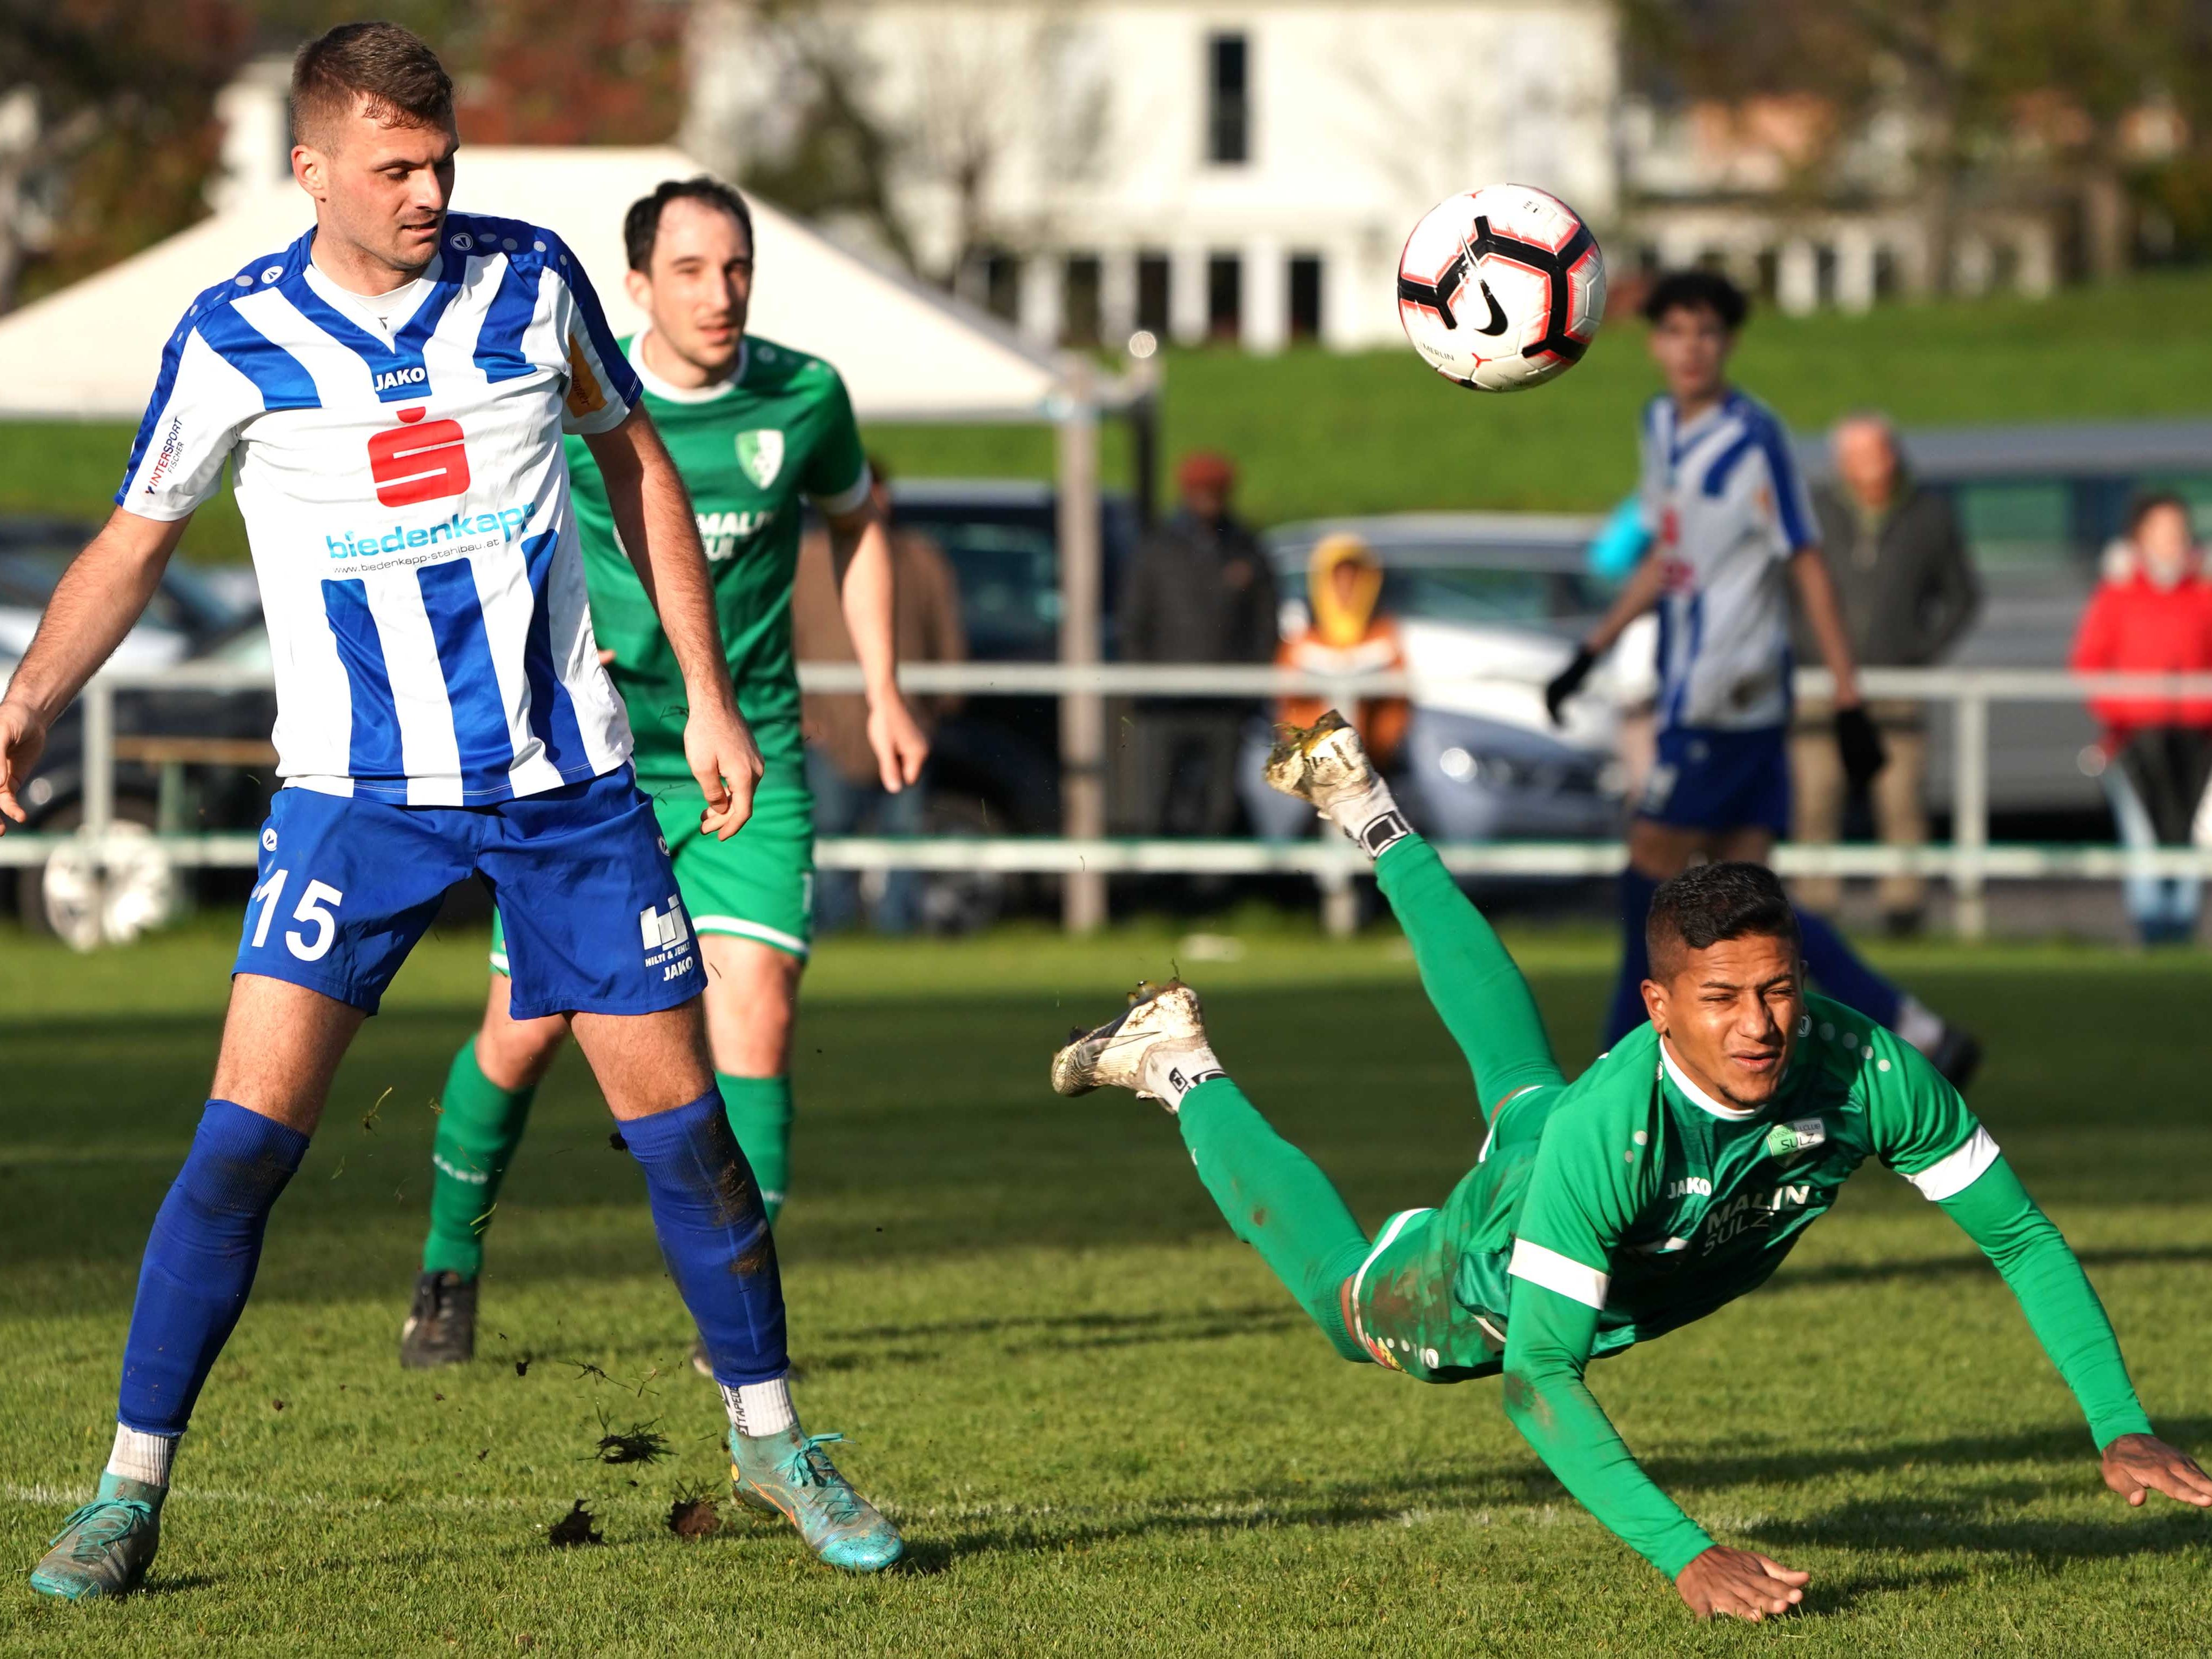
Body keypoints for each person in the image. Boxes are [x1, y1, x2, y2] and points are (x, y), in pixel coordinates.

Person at [3, 28, 901, 1598]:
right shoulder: (232, 338)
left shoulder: (530, 281)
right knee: (238, 1149)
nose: (428, 192)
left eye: (441, 162)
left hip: (568, 790)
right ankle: (127, 1492)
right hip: (355, 804)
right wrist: (23, 700)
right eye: (394, 168)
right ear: (312, 172)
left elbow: (635, 466)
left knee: (686, 1140)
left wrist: (700, 688)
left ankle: (769, 1438)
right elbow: (136, 543)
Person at [1053, 711, 2211, 1622]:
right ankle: (1181, 1065)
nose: (1759, 1024)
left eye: (1777, 988)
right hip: (1500, 1252)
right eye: (1720, 1000)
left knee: (1518, 1079)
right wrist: (1687, 1554)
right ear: (1658, 1007)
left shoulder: (1868, 1068)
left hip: (1569, 1138)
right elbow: (1537, 1378)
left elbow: (2018, 1234)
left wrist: (2116, 1418)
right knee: (1350, 1306)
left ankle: (1365, 803)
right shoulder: (1613, 1141)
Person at [402, 175, 930, 1374]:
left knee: (758, 1012)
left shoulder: (804, 397)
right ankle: (448, 1262)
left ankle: (732, 1316)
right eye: (690, 270)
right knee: (524, 1030)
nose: (721, 293)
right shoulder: (573, 394)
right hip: (590, 757)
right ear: (634, 286)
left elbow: (860, 525)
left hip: (751, 750)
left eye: (736, 267)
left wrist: (886, 683)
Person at [1544, 270, 1976, 1083]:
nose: (1690, 348)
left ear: (1728, 343)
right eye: (1675, 331)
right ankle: (1914, 1026)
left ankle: (1612, 1066)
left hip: (1727, 697)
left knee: (1646, 871)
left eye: (1706, 332)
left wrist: (1846, 693)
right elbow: (1671, 562)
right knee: (1753, 900)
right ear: (1655, 342)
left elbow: (1805, 559)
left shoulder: (1754, 436)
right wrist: (1591, 649)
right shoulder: (1660, 427)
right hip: (1690, 691)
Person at [1790, 414, 1980, 934]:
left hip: (1896, 686)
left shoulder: (1928, 514)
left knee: (1900, 798)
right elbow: (1782, 589)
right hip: (1817, 686)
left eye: (1876, 452)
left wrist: (1917, 653)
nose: (1868, 465)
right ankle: (1814, 911)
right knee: (1815, 795)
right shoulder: (1813, 512)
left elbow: (1963, 596)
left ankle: (1904, 910)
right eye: (1855, 455)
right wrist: (1807, 650)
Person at [794, 453, 965, 932]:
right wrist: (802, 713)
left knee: (904, 833)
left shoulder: (920, 557)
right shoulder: (803, 559)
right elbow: (783, 638)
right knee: (828, 831)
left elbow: (946, 635)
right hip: (829, 725)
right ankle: (831, 926)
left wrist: (941, 701)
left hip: (906, 720)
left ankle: (899, 925)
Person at [2070, 493, 2212, 946]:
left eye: (2178, 530)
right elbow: (2088, 662)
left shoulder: (2204, 593)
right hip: (2133, 736)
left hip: (2199, 734)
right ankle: (2151, 921)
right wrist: (2127, 708)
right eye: (2161, 530)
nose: (2172, 541)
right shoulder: (2116, 596)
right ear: (2139, 537)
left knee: (2193, 829)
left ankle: (2184, 923)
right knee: (2144, 832)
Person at [1120, 451, 1280, 838]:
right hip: (1164, 701)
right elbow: (1134, 621)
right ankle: (1157, 888)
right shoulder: (1157, 549)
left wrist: (1249, 687)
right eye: (1199, 490)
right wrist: (1143, 684)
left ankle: (1210, 892)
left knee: (1219, 803)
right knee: (1156, 798)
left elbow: (1264, 625)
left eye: (1215, 490)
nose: (1207, 498)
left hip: (1225, 704)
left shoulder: (1246, 548)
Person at [1239, 532, 1407, 840]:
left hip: (1372, 767)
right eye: (1337, 577)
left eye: (1354, 577)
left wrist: (1375, 750)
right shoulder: (1303, 641)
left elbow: (1396, 708)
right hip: (1313, 768)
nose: (1346, 586)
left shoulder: (1384, 635)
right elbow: (1286, 704)